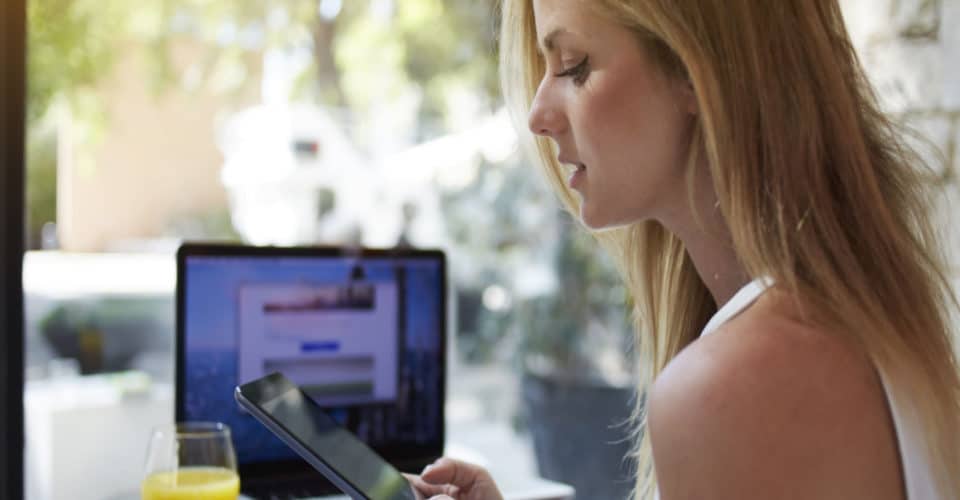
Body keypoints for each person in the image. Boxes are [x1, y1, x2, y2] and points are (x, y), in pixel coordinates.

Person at [408, 0, 960, 499]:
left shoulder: (732, 388)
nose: (537, 114)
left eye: (574, 65)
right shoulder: (864, 318)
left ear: (698, 69)